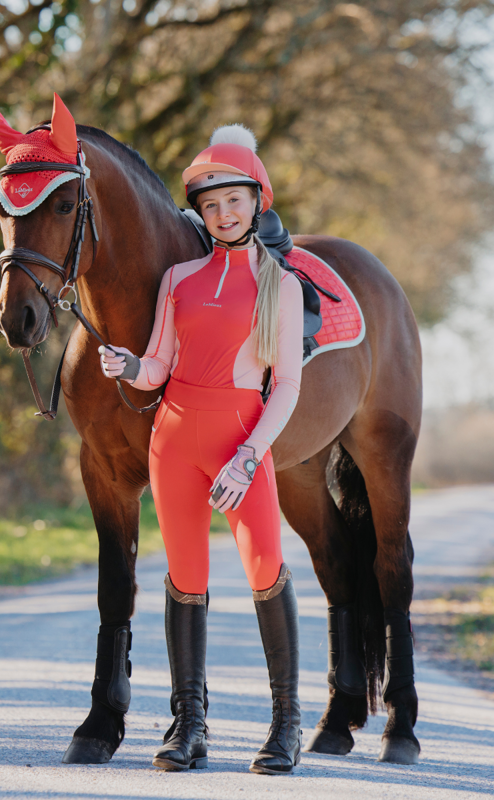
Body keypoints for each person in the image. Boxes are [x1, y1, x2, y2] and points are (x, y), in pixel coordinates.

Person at [98, 125, 304, 774]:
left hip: (240, 441)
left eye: (234, 200)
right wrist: (128, 365)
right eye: (211, 205)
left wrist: (249, 456)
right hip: (173, 442)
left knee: (265, 569)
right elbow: (159, 366)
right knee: (185, 579)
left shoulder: (280, 284)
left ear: (257, 202)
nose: (223, 213)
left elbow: (286, 386)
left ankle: (286, 725)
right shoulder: (180, 279)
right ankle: (189, 725)